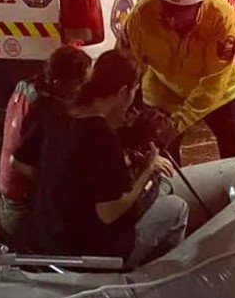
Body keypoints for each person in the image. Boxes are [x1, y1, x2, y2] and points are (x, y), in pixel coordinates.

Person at [12, 50, 188, 267]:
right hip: (92, 250)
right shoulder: (100, 135)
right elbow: (108, 212)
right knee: (177, 207)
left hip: (50, 235)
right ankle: (154, 276)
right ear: (123, 92)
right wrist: (148, 168)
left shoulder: (58, 114)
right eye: (134, 91)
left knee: (160, 191)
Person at [119, 0, 235, 164]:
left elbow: (213, 83)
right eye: (166, 9)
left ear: (198, 6)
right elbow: (127, 64)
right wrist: (126, 111)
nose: (171, 19)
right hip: (163, 89)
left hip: (219, 91)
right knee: (160, 158)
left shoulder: (222, 20)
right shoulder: (141, 15)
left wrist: (175, 125)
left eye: (180, 12)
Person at [0, 45, 91, 236]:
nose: (82, 88)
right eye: (80, 82)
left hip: (11, 202)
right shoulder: (43, 107)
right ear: (58, 82)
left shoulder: (25, 87)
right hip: (25, 210)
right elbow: (19, 162)